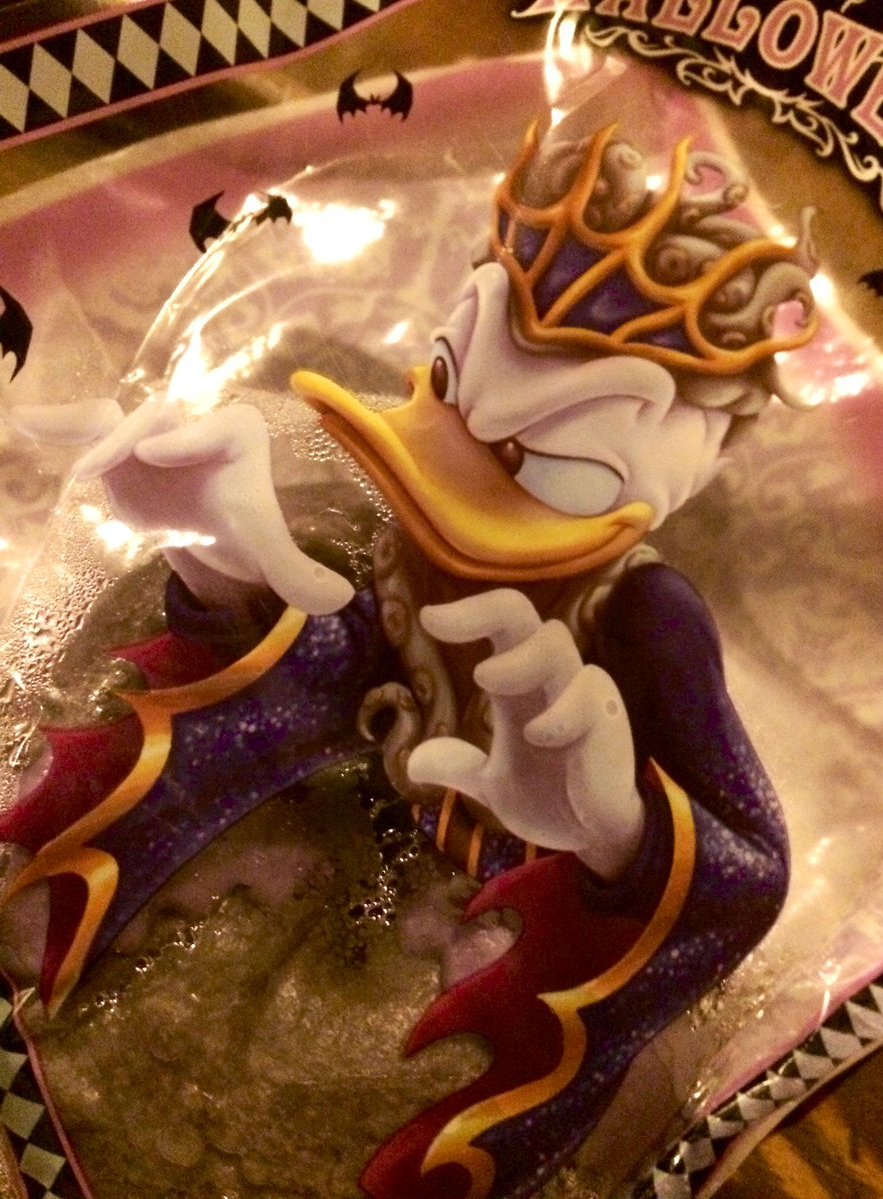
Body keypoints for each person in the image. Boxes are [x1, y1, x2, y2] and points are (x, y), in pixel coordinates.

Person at [2, 119, 817, 1199]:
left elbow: (749, 873)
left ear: (704, 450)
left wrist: (614, 827)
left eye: (557, 457)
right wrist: (220, 570)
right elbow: (339, 675)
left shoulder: (647, 620)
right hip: (324, 875)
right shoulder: (400, 528)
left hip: (488, 958)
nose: (464, 467)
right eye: (451, 376)